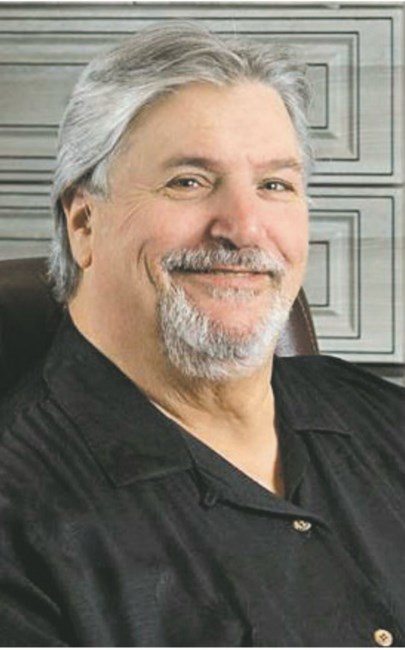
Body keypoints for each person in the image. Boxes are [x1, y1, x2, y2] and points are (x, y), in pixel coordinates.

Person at [0, 21, 404, 647]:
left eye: (274, 185)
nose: (244, 228)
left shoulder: (384, 420)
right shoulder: (22, 528)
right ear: (84, 224)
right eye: (188, 181)